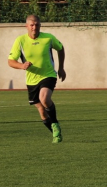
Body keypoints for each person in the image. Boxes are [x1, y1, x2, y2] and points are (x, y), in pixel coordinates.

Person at [7, 14, 66, 143]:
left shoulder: (48, 38)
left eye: (37, 25)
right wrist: (22, 65)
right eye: (32, 25)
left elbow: (61, 49)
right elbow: (11, 61)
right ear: (26, 26)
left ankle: (55, 123)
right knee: (41, 111)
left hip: (48, 75)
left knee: (44, 98)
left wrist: (61, 68)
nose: (34, 27)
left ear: (40, 25)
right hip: (31, 80)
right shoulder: (20, 41)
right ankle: (56, 134)